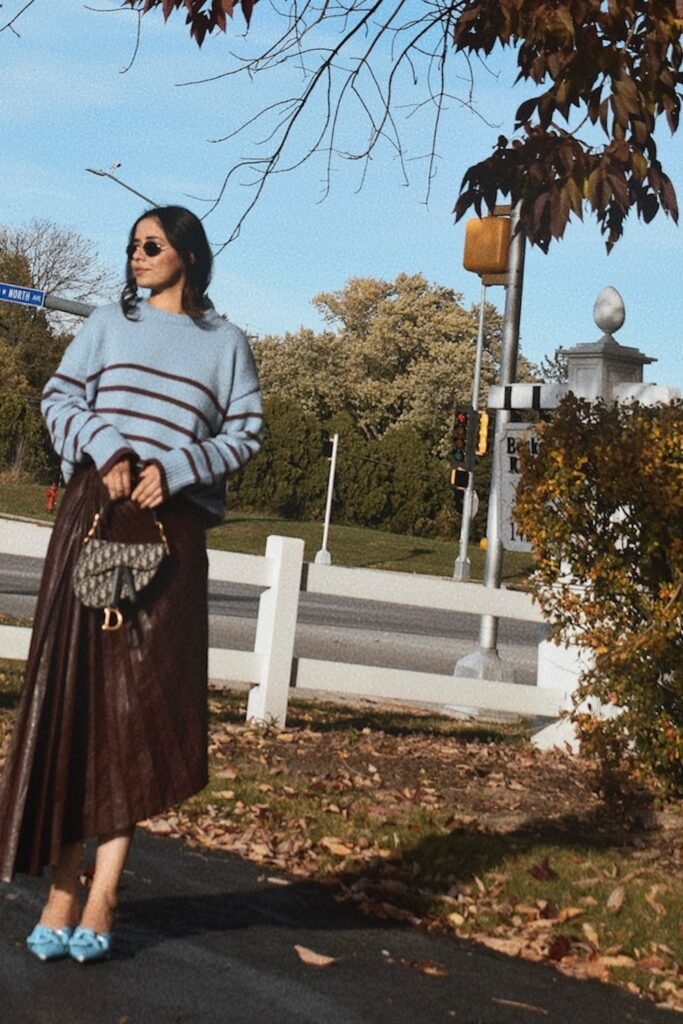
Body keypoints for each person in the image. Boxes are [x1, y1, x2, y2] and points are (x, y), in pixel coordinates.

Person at [0, 205, 263, 962]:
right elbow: (60, 399)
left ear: (188, 253)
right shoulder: (109, 326)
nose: (137, 256)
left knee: (133, 710)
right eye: (132, 247)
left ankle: (106, 889)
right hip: (92, 515)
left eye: (151, 245)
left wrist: (173, 470)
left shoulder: (226, 344)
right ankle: (60, 886)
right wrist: (107, 447)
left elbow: (244, 432)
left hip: (166, 530)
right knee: (74, 699)